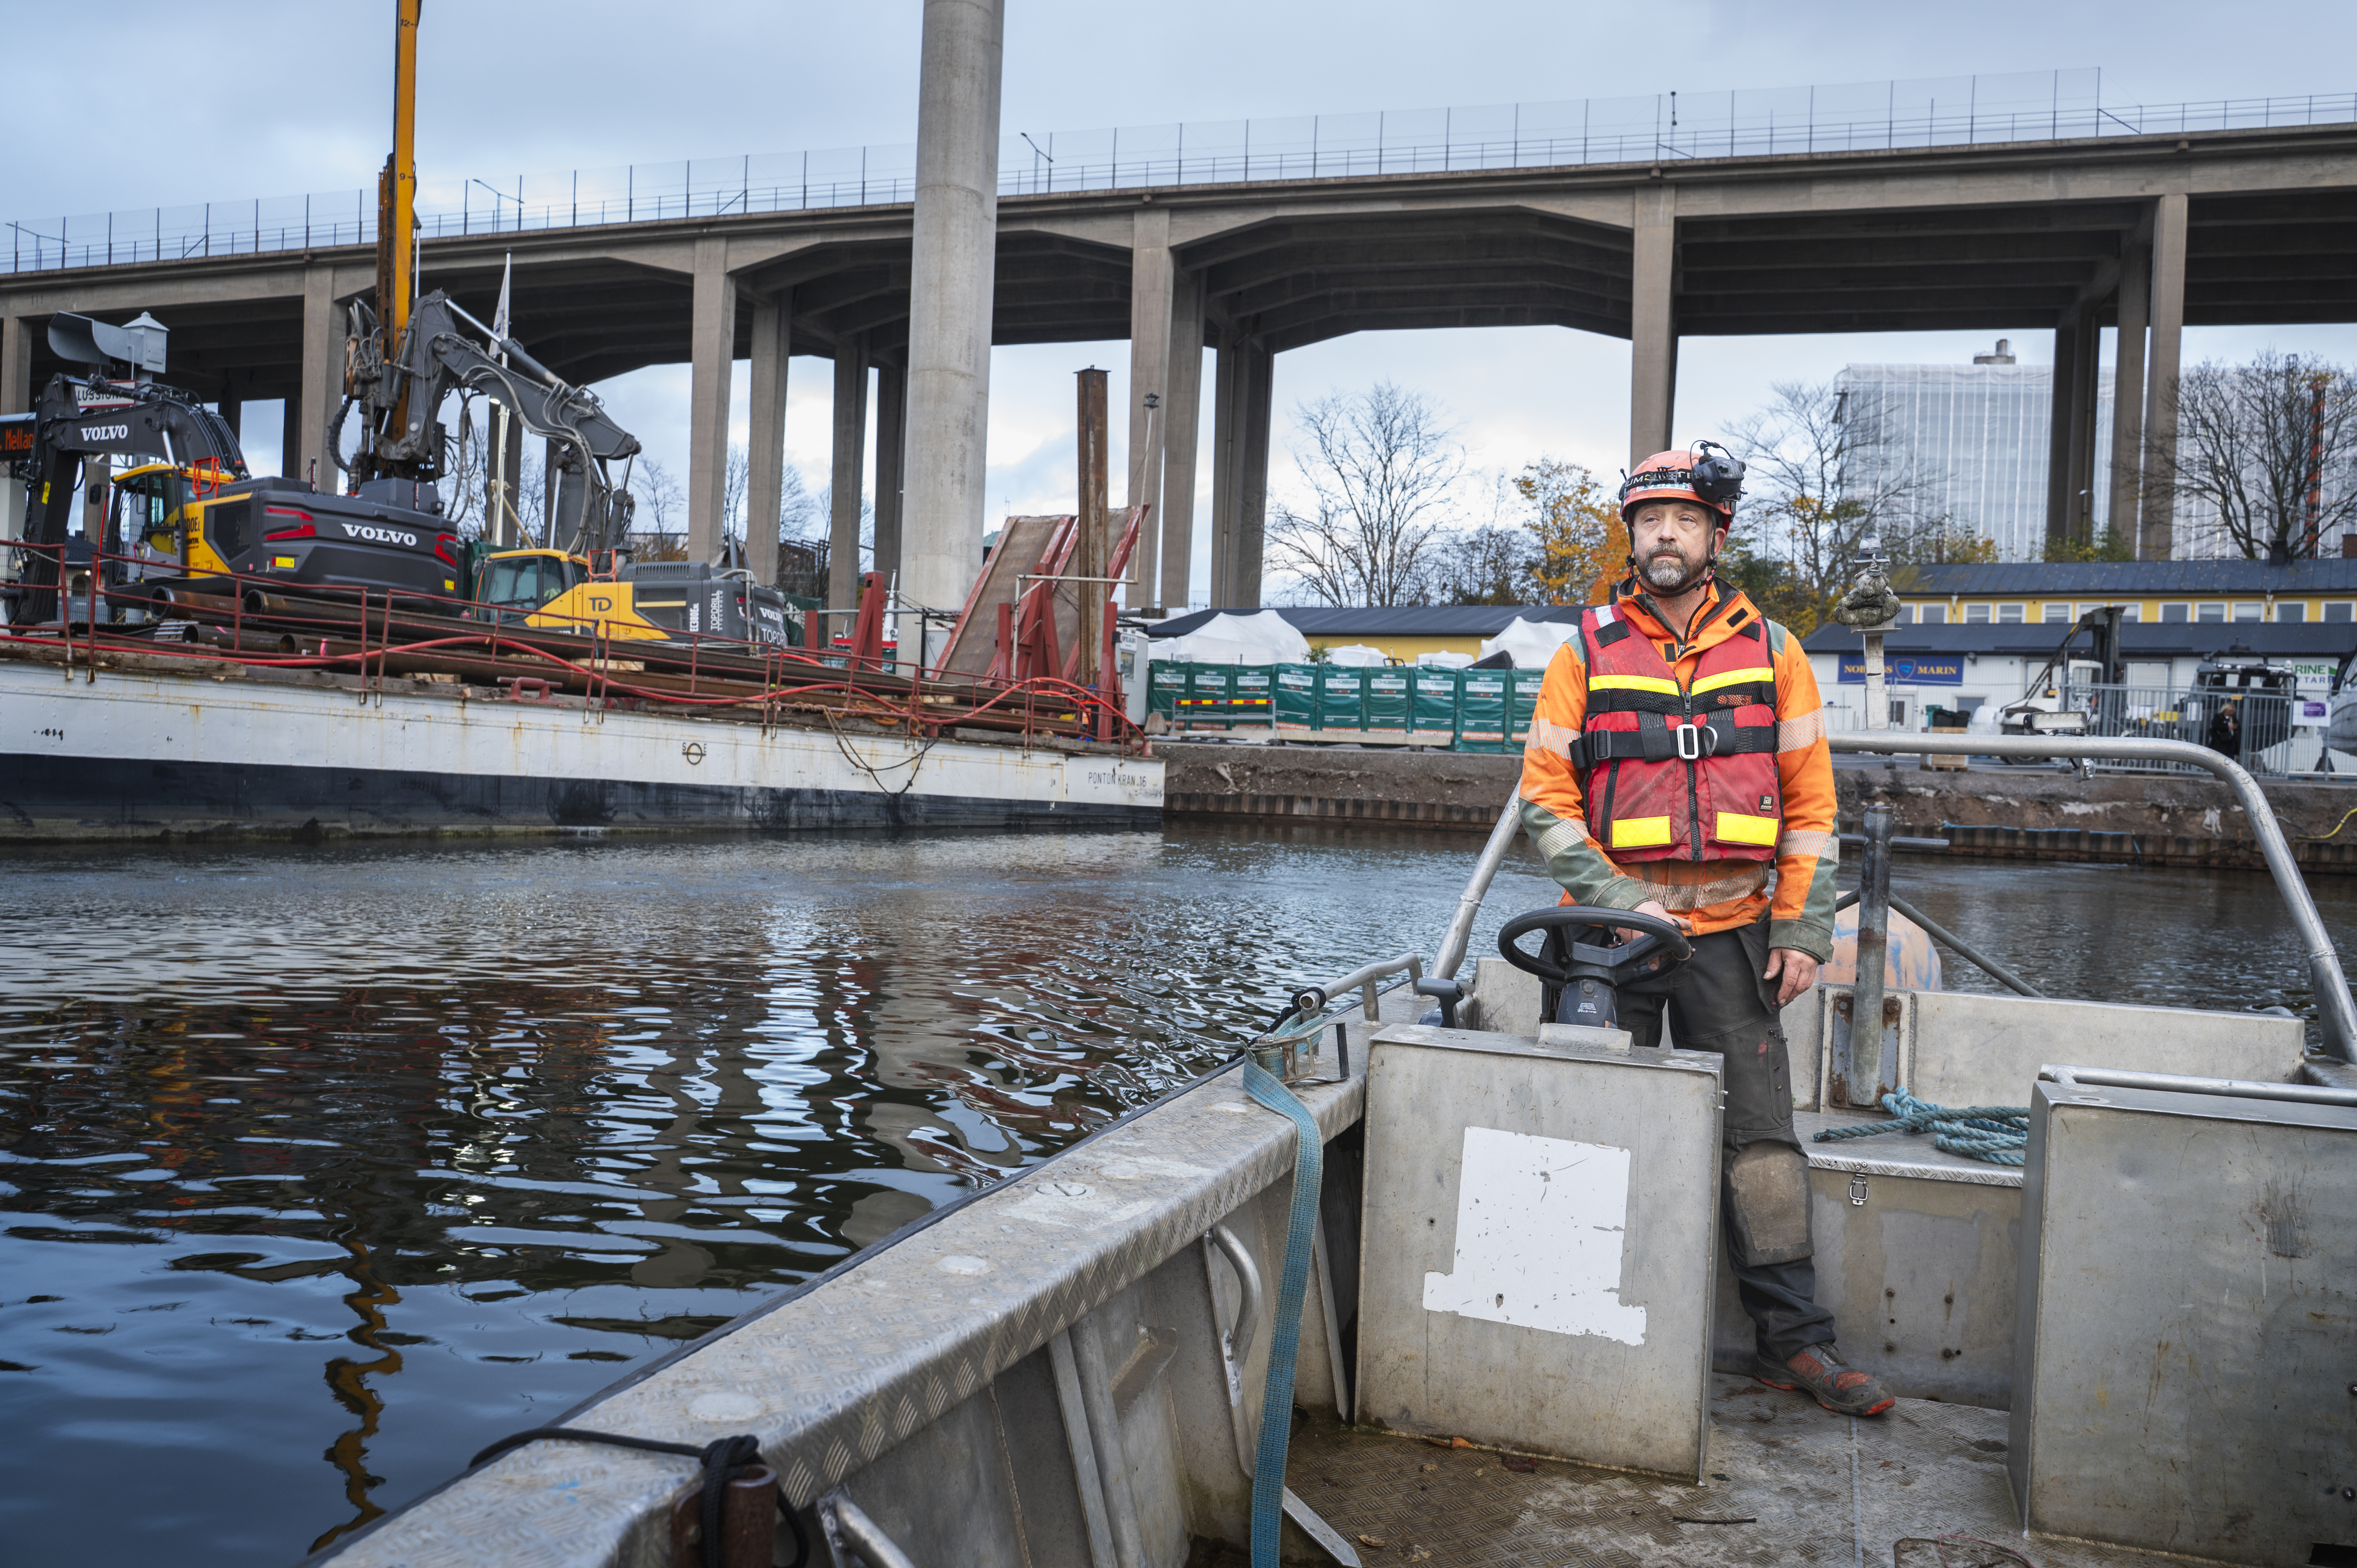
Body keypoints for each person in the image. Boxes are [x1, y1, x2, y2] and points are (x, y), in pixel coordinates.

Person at [1515, 445, 1893, 1418]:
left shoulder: (1774, 649)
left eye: (1683, 519)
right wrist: (1611, 894)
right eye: (1648, 521)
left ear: (1717, 533)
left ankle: (1793, 1346)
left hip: (1734, 934)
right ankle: (1573, 1332)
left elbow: (1812, 806)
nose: (1664, 535)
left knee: (1762, 1148)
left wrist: (1805, 927)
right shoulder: (1585, 652)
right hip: (1610, 937)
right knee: (1600, 1136)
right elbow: (1546, 799)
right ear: (1632, 538)